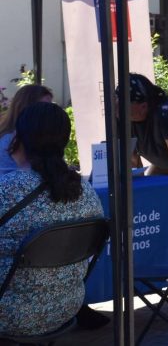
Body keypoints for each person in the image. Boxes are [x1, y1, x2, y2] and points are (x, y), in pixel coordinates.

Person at [0, 102, 104, 337]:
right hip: (66, 308)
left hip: (9, 312)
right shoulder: (86, 192)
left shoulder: (6, 190)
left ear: (17, 140)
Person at [0, 84, 53, 176]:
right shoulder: (10, 139)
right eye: (43, 107)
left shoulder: (42, 135)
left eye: (51, 107)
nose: (50, 112)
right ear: (25, 108)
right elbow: (12, 182)